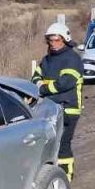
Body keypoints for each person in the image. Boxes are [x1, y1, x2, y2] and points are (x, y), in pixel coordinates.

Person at [32, 22, 84, 180]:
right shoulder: (47, 59)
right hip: (48, 108)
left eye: (57, 40)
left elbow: (65, 83)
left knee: (62, 145)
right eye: (50, 40)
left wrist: (42, 88)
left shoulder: (72, 59)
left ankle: (66, 178)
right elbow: (35, 76)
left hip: (68, 109)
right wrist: (39, 83)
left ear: (65, 39)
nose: (53, 43)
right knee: (49, 145)